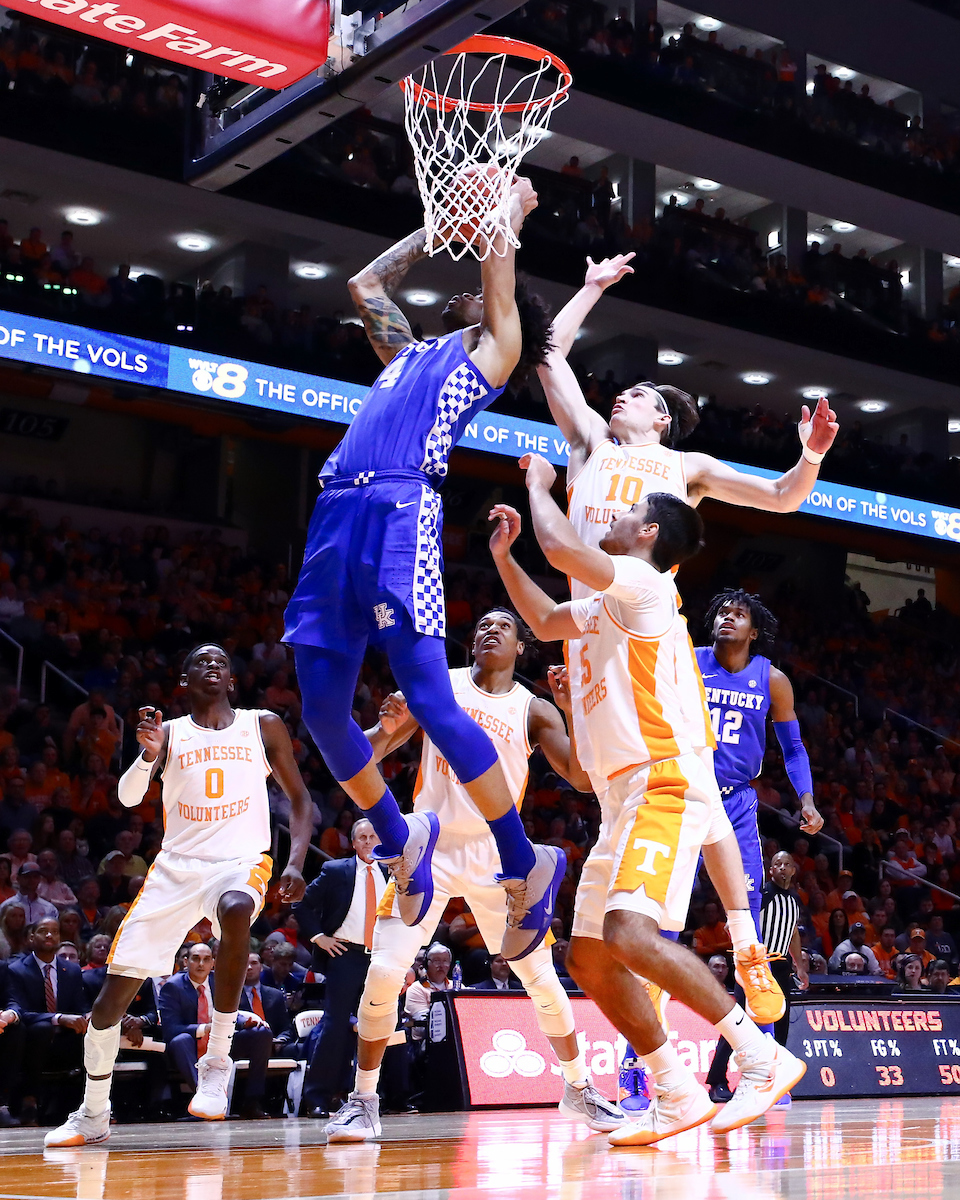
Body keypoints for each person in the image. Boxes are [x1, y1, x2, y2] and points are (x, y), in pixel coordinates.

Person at [283, 179, 565, 963]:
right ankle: (405, 844)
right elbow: (365, 284)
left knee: (436, 704)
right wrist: (440, 224)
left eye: (483, 294)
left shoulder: (494, 354)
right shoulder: (408, 353)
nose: (473, 294)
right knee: (321, 712)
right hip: (337, 512)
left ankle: (521, 858)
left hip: (403, 511)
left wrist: (505, 217)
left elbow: (499, 278)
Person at [489, 457, 804, 1145]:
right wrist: (504, 560)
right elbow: (542, 620)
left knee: (630, 933)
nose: (613, 518)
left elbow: (564, 548)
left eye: (626, 513)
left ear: (648, 531)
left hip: (661, 780)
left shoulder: (645, 583)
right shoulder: (610, 599)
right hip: (620, 795)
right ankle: (676, 1090)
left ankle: (759, 1054)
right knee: (590, 958)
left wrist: (542, 489)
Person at [322, 609, 623, 1141]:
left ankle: (579, 1088)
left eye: (502, 625)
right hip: (426, 851)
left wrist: (572, 708)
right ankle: (363, 1100)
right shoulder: (438, 684)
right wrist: (384, 726)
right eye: (482, 623)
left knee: (542, 981)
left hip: (498, 860)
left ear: (522, 646)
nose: (488, 629)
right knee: (385, 971)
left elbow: (580, 777)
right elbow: (368, 753)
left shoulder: (532, 709)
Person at [44, 643, 312, 1147]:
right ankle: (93, 1114)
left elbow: (300, 799)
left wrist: (295, 861)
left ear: (232, 681)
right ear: (184, 681)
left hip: (240, 862)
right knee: (109, 1003)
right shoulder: (167, 734)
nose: (212, 665)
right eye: (199, 662)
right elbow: (126, 798)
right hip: (174, 870)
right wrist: (147, 755)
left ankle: (217, 1063)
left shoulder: (263, 725)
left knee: (235, 911)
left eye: (221, 663)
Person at [696, 589, 824, 932]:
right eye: (723, 613)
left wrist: (807, 800)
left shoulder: (772, 680)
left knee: (747, 898)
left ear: (753, 632)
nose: (728, 617)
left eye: (738, 614)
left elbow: (794, 748)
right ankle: (651, 982)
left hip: (735, 799)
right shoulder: (687, 662)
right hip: (685, 791)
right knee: (665, 896)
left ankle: (751, 978)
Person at [294, 819, 389, 1118]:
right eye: (362, 837)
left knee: (378, 1027)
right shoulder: (336, 871)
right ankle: (316, 1097)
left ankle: (366, 1096)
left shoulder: (394, 871)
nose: (368, 841)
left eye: (374, 835)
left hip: (382, 957)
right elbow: (301, 904)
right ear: (353, 842)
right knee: (335, 1027)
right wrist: (320, 938)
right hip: (346, 955)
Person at [707, 852, 807, 1105]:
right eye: (777, 864)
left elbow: (792, 931)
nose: (782, 868)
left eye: (787, 864)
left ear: (794, 870)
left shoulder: (794, 899)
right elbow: (737, 920)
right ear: (770, 870)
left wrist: (800, 965)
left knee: (780, 1026)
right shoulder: (763, 894)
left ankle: (774, 1081)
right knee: (738, 1023)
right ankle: (717, 1081)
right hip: (755, 966)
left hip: (781, 966)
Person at [160, 942, 274, 1117]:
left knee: (262, 1033)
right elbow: (171, 1029)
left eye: (206, 960)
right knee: (180, 1040)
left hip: (222, 1042)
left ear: (213, 963)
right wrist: (204, 1029)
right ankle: (205, 1098)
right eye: (196, 959)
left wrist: (248, 1021)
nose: (201, 964)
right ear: (185, 962)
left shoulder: (221, 981)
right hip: (189, 1046)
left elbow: (239, 1012)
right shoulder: (172, 987)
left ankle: (252, 1102)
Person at [6, 916, 89, 1125]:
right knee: (41, 1029)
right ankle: (29, 1102)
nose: (50, 935)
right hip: (32, 1038)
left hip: (66, 1039)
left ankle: (90, 1108)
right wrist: (59, 1018)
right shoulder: (16, 969)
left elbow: (80, 1007)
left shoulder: (71, 970)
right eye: (44, 931)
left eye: (55, 931)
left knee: (95, 1034)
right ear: (32, 937)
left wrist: (88, 1017)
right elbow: (20, 1011)